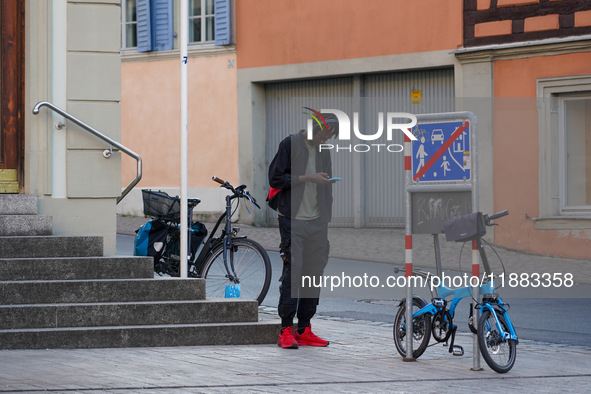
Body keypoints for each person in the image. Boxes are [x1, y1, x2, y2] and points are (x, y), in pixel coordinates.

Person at [268, 113, 338, 349]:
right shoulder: (290, 144)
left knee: (313, 274)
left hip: (317, 222)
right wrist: (309, 177)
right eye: (323, 134)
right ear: (313, 128)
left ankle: (304, 328)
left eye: (328, 137)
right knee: (293, 274)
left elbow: (324, 185)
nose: (324, 140)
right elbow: (275, 178)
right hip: (292, 220)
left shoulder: (324, 151)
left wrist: (325, 216)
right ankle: (285, 330)